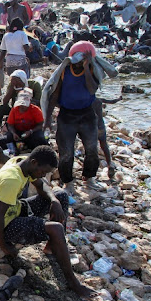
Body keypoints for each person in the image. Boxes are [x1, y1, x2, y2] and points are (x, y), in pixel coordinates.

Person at [0, 145, 94, 297]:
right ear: (35, 162)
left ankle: (52, 247)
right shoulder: (11, 179)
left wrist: (53, 200)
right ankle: (72, 282)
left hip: (15, 209)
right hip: (5, 226)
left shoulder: (24, 163)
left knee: (60, 195)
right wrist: (4, 246)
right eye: (42, 171)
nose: (43, 175)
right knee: (56, 229)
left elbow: (42, 184)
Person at [44, 41, 101, 193]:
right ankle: (67, 181)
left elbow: (92, 89)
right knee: (66, 152)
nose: (79, 63)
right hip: (67, 116)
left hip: (87, 114)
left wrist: (87, 69)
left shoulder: (92, 70)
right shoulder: (65, 71)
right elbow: (54, 95)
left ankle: (89, 178)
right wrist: (48, 119)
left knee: (92, 149)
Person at [0, 69, 42, 140]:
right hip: (15, 110)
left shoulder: (34, 85)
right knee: (0, 108)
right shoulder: (12, 86)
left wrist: (24, 96)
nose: (16, 83)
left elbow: (38, 101)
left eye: (17, 81)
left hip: (31, 110)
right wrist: (12, 88)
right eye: (13, 81)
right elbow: (5, 102)